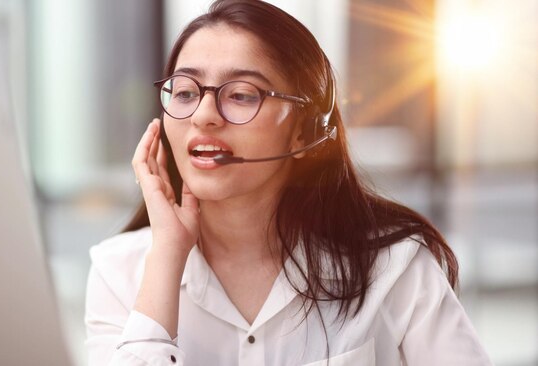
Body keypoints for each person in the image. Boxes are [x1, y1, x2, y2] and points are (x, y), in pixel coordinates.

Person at [85, 0, 493, 365]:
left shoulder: (396, 268)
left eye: (242, 95)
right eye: (187, 92)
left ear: (304, 133)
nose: (204, 115)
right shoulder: (118, 271)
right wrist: (167, 257)